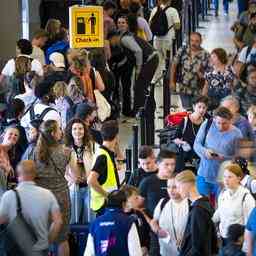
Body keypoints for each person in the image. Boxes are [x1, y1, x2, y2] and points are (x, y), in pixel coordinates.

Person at [0, 160, 62, 256]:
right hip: (40, 250)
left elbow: (1, 220)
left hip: (15, 250)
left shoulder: (8, 196)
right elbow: (58, 222)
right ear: (34, 174)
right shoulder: (47, 194)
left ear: (18, 175)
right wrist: (47, 241)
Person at [31, 120, 71, 256]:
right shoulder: (66, 152)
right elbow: (76, 175)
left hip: (40, 198)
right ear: (54, 133)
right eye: (59, 129)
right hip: (61, 197)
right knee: (62, 238)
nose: (62, 131)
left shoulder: (34, 152)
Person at [194, 107, 242, 198]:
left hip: (223, 179)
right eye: (218, 123)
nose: (220, 126)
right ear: (214, 119)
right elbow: (196, 144)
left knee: (219, 208)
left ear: (230, 121)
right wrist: (205, 151)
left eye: (224, 123)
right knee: (202, 207)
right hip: (204, 175)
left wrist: (224, 158)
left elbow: (239, 158)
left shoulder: (237, 133)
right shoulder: (207, 124)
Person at [108, 29, 159, 115]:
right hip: (151, 59)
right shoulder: (124, 39)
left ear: (114, 38)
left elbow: (138, 51)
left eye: (111, 41)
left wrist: (139, 68)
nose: (112, 44)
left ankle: (140, 111)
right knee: (141, 87)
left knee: (140, 87)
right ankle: (143, 110)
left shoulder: (124, 39)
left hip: (150, 60)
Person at [139, 150, 176, 256]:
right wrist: (150, 221)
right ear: (158, 164)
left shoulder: (178, 180)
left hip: (176, 229)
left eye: (172, 164)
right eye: (167, 164)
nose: (170, 168)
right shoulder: (147, 182)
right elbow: (138, 207)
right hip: (156, 230)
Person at [84, 189, 143, 256]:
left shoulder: (95, 223)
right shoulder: (128, 222)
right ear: (124, 204)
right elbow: (135, 253)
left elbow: (88, 253)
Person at [175, 170, 218, 256]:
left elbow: (198, 246)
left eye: (178, 187)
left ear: (186, 184)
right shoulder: (205, 203)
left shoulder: (198, 210)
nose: (178, 191)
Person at [212, 164, 255, 245]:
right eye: (224, 176)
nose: (226, 180)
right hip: (223, 237)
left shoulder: (246, 197)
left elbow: (250, 224)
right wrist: (208, 220)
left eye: (230, 177)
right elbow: (219, 212)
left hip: (238, 241)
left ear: (239, 178)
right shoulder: (223, 193)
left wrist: (246, 245)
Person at [87, 120, 121, 216]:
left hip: (105, 203)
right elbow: (91, 181)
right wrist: (107, 195)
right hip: (104, 204)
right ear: (116, 136)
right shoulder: (103, 156)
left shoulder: (104, 152)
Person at [64, 118, 94, 224]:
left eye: (80, 128)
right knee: (72, 220)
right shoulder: (65, 148)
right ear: (70, 131)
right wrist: (71, 179)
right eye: (74, 129)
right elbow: (62, 170)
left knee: (89, 220)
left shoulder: (92, 146)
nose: (78, 131)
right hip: (73, 188)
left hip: (89, 188)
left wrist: (90, 177)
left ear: (85, 131)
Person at [150, 176, 189, 256]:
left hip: (186, 251)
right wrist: (155, 227)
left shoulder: (190, 204)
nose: (170, 190)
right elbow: (154, 221)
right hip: (165, 251)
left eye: (174, 187)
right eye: (168, 187)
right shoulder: (162, 202)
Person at [170, 32, 210, 110]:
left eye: (196, 41)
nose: (193, 43)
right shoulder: (183, 50)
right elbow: (174, 65)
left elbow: (209, 75)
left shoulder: (206, 55)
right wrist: (172, 82)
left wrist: (204, 91)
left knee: (196, 111)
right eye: (192, 40)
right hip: (183, 88)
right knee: (187, 110)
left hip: (198, 90)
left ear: (201, 41)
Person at [173, 96, 209, 172]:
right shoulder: (185, 120)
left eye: (204, 107)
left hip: (200, 159)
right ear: (194, 107)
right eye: (199, 107)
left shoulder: (206, 122)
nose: (201, 110)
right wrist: (183, 142)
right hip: (185, 159)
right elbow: (175, 138)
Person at [149, 0, 180, 84]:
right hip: (168, 39)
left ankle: (156, 80)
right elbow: (177, 26)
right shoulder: (173, 10)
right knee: (169, 60)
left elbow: (150, 23)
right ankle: (169, 79)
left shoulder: (155, 10)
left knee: (158, 59)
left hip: (157, 38)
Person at [122, 185, 151, 255]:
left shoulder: (139, 214)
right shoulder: (118, 218)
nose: (140, 199)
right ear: (126, 199)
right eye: (136, 198)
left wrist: (145, 246)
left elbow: (146, 233)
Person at [0, 127, 19, 197]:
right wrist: (3, 166)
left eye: (16, 135)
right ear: (3, 135)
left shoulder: (9, 156)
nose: (13, 136)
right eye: (10, 133)